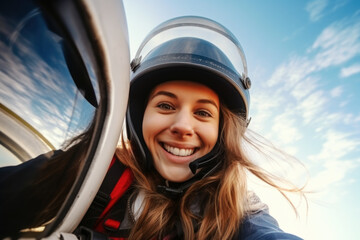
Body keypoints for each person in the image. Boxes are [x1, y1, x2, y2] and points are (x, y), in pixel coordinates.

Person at [78, 16, 305, 239]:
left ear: (223, 131)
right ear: (138, 116)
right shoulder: (97, 168)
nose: (183, 126)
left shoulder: (236, 208)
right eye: (166, 105)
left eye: (203, 113)